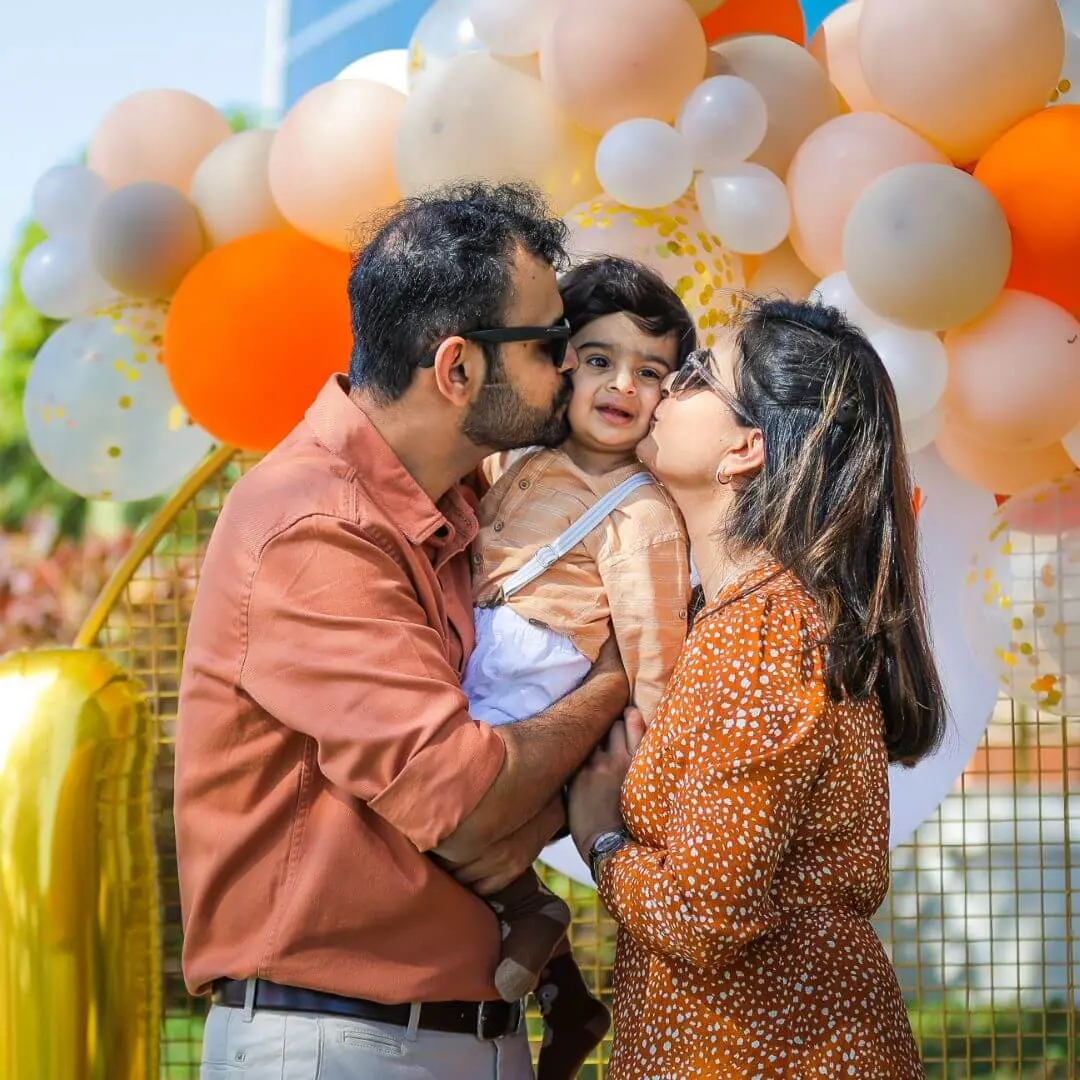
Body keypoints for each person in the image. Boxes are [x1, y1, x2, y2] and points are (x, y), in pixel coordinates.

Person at [173, 182, 628, 1080]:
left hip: (436, 1035)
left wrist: (517, 789)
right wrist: (616, 681)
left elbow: (489, 811)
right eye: (548, 344)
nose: (573, 368)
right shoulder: (314, 524)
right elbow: (465, 811)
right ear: (457, 369)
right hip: (340, 1042)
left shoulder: (458, 510)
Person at [568, 296, 946, 1079]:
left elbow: (707, 914)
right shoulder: (743, 619)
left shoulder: (765, 634)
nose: (669, 384)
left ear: (745, 448)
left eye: (700, 374)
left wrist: (602, 838)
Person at [464, 256, 695, 1078]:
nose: (622, 384)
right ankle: (561, 982)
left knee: (445, 812)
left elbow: (655, 649)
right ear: (561, 362)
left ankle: (533, 921)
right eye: (599, 359)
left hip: (538, 670)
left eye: (651, 371)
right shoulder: (518, 457)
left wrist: (650, 759)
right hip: (483, 643)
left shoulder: (641, 512)